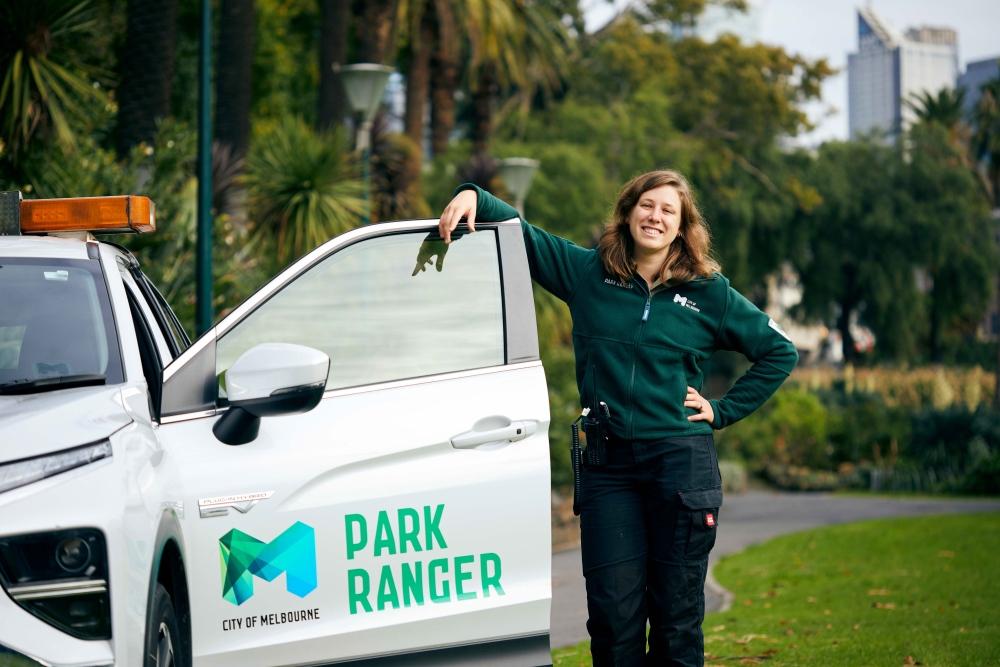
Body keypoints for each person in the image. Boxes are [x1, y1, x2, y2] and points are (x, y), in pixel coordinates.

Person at [431, 170, 798, 667]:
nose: (655, 217)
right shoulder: (587, 273)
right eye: (647, 205)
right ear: (627, 213)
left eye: (668, 210)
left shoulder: (709, 293)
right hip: (610, 470)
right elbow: (523, 234)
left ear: (682, 226)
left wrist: (722, 409)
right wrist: (472, 195)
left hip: (680, 467)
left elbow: (779, 351)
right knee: (612, 621)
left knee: (676, 622)